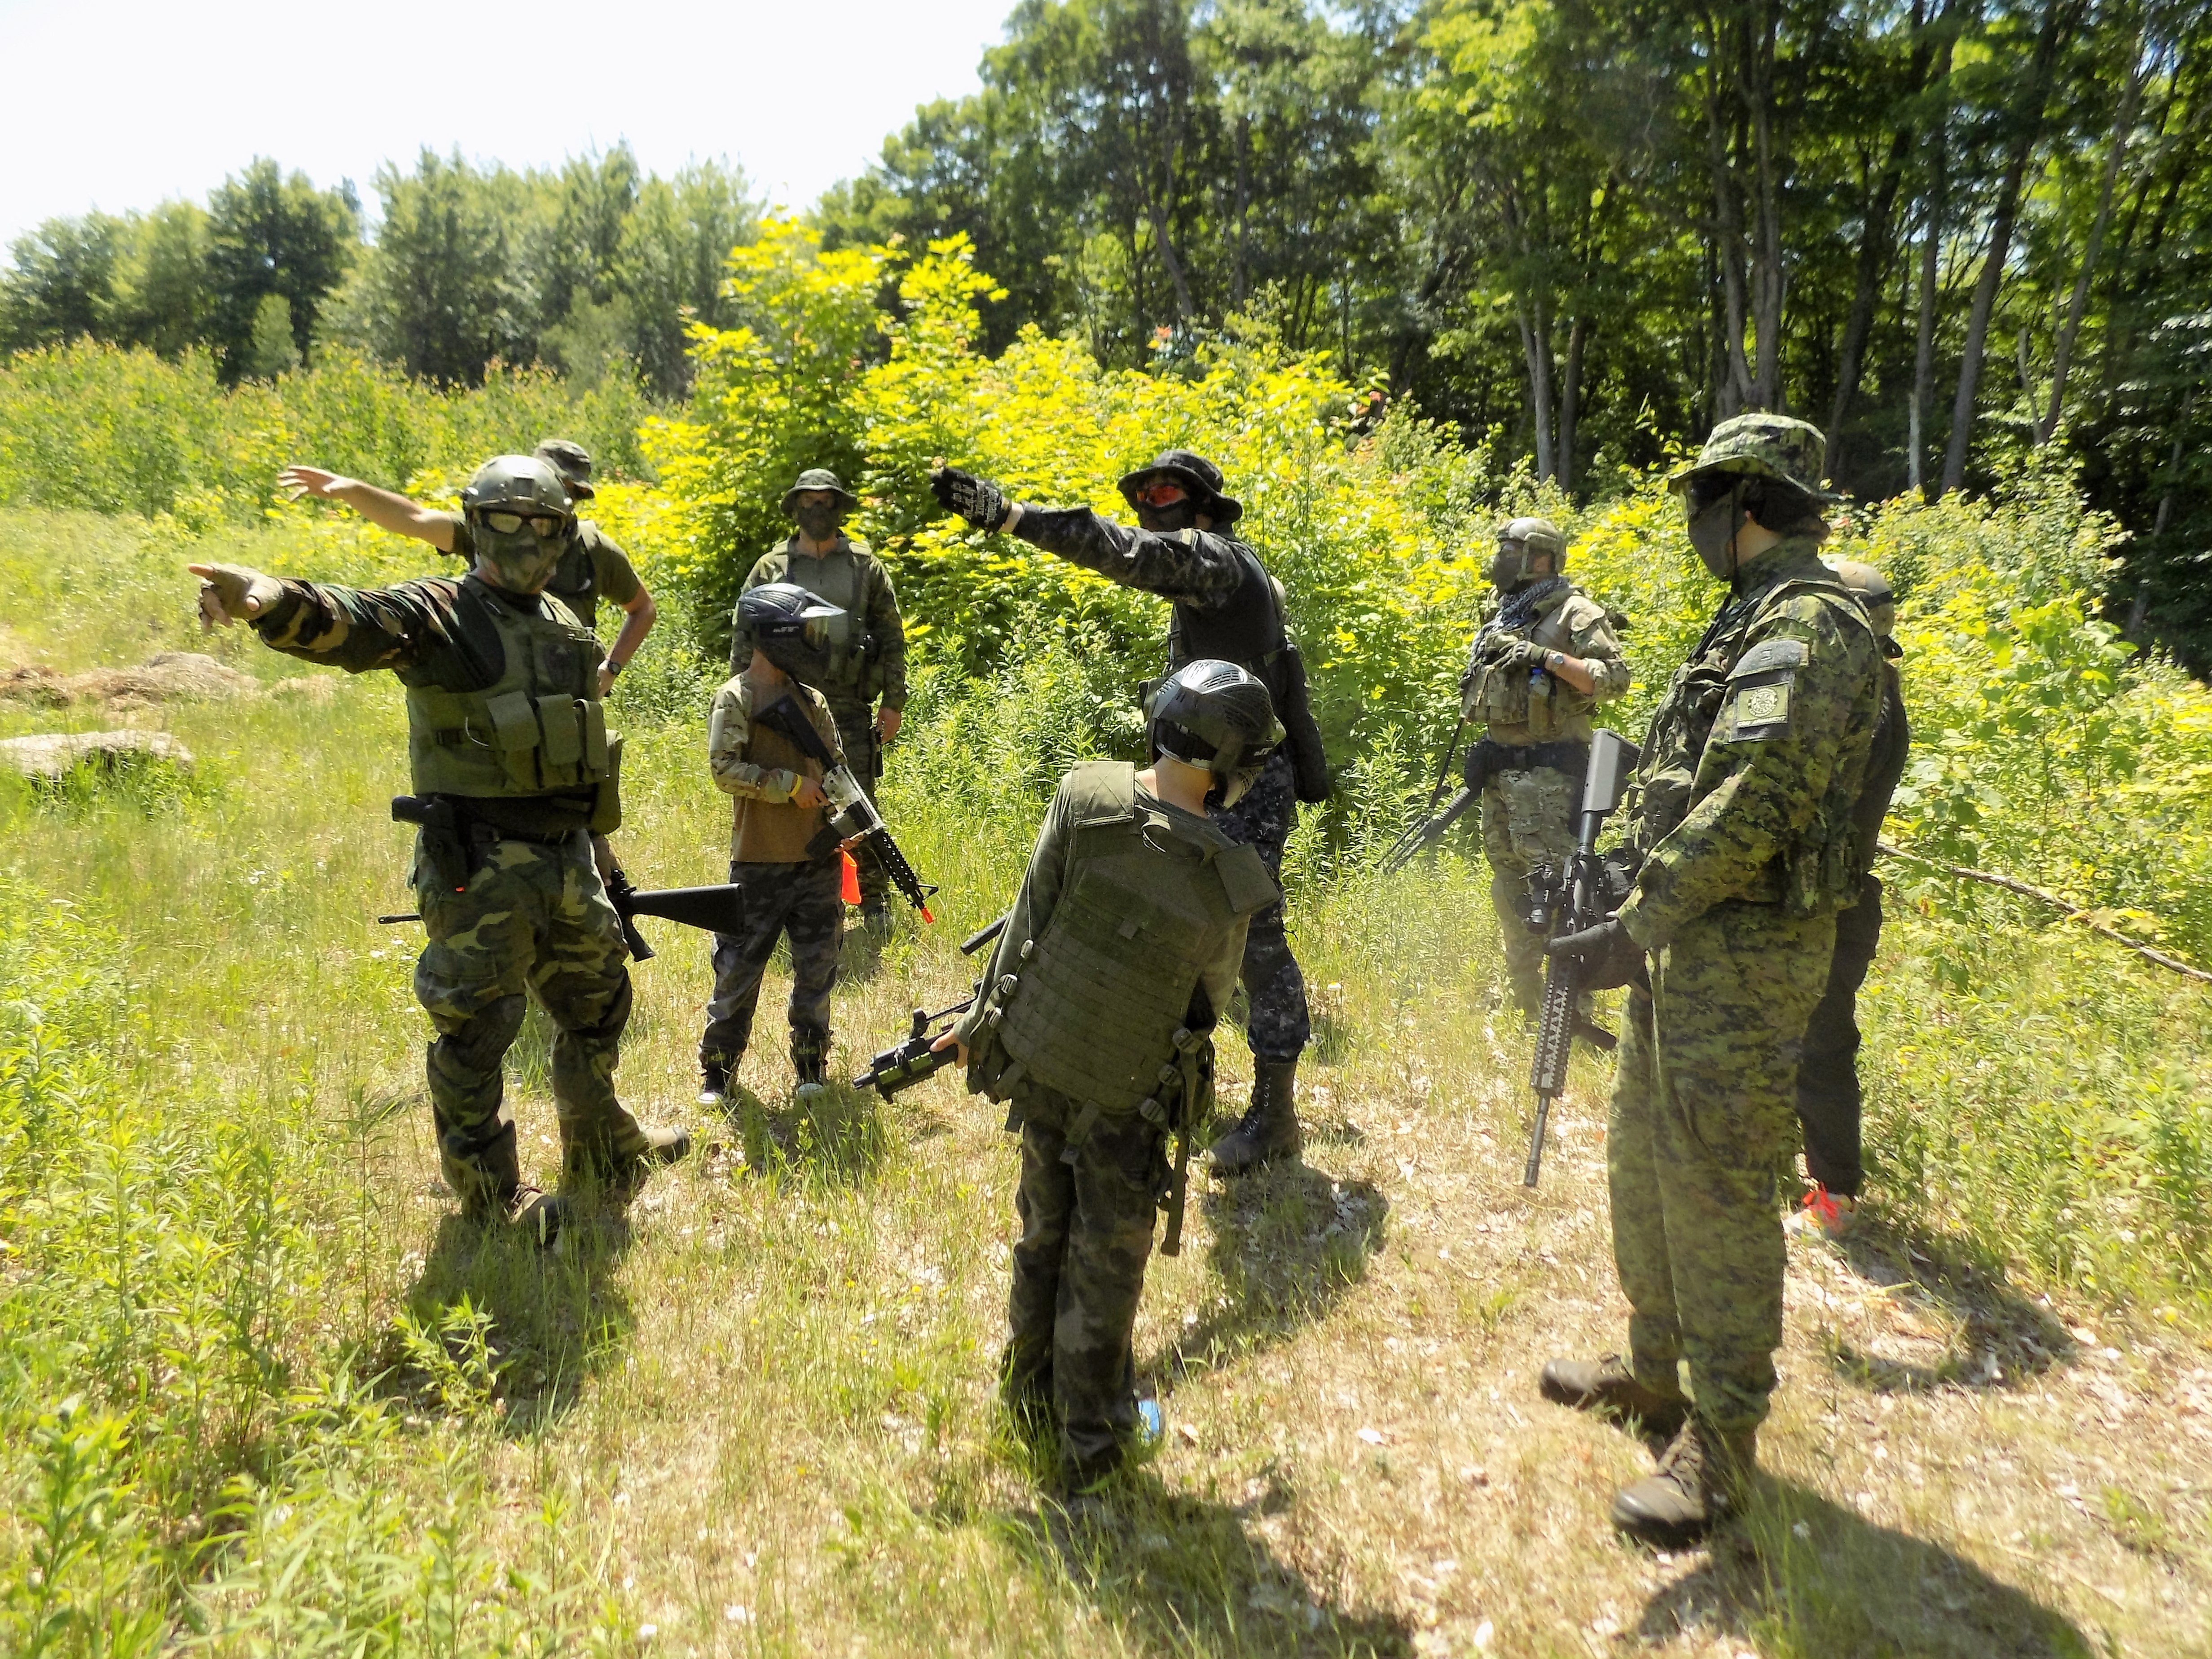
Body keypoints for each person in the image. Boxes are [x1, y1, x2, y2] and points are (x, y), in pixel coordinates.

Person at [189, 454, 690, 1247]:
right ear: (476, 525)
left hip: (568, 860)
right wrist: (269, 600)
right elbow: (353, 620)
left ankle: (602, 1144)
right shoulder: (444, 614)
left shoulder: (562, 624)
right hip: (481, 868)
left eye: (543, 524)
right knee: (478, 1030)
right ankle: (488, 1196)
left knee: (596, 1006)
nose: (527, 538)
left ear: (564, 533)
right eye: (509, 521)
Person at [1537, 414, 1882, 1545]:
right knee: (1643, 1148)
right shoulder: (1745, 617)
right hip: (1682, 933)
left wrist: (1635, 921)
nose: (1690, 521)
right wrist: (1623, 887)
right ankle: (1652, 1370)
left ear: (1745, 503)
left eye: (1700, 499)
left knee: (1721, 1181)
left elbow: (1754, 802)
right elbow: (1686, 776)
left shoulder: (1810, 622)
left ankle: (1722, 1443)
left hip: (1742, 948)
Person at [932, 660, 1282, 1492]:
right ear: (1230, 763)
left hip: (1042, 1064)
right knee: (1105, 1267)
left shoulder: (1082, 797)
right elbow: (1210, 1001)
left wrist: (988, 1031)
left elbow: (1026, 924)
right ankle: (1092, 1447)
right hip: (1129, 1101)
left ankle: (1026, 1403)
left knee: (1040, 1235)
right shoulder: (1232, 884)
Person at [928, 450, 1329, 1176]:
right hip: (1209, 775)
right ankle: (1172, 1079)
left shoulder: (1217, 562)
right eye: (1141, 497)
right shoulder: (1206, 586)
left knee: (1252, 936)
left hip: (1245, 786)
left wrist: (1014, 518)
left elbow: (1132, 553)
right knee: (1184, 923)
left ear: (1205, 507)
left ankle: (1275, 1118)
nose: (1151, 505)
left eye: (1166, 493)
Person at [277, 439, 658, 698]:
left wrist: (611, 668)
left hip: (564, 689)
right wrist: (352, 490)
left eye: (570, 492)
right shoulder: (491, 529)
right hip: (489, 683)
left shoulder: (593, 548)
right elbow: (416, 519)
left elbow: (642, 608)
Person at [1456, 515, 1631, 1016]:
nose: (1499, 557)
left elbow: (1612, 677)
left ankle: (1570, 1009)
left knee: (1557, 890)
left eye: (1509, 548)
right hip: (1502, 776)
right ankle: (1526, 1000)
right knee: (1510, 887)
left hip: (1551, 778)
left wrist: (1542, 656)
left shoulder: (1574, 612)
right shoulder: (1504, 615)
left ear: (1540, 556)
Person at [727, 470, 907, 934]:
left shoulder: (865, 566)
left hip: (847, 705)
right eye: (808, 501)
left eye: (826, 501)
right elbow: (745, 634)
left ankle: (874, 901)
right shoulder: (770, 567)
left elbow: (891, 635)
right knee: (791, 801)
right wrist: (741, 699)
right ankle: (797, 899)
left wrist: (894, 702)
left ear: (839, 506)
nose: (817, 509)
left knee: (857, 801)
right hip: (781, 707)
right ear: (795, 507)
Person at [1790, 559, 1911, 1238]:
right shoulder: (1862, 695)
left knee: (1822, 1044)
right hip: (1823, 896)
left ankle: (1835, 1195)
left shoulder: (1869, 708)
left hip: (1831, 902)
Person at [698, 583, 853, 1106]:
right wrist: (789, 786)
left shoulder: (812, 701)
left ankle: (811, 1065)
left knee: (816, 969)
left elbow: (837, 766)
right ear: (777, 636)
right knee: (738, 974)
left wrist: (850, 813)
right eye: (805, 632)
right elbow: (723, 770)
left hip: (818, 860)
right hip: (759, 862)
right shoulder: (737, 697)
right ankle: (717, 1072)